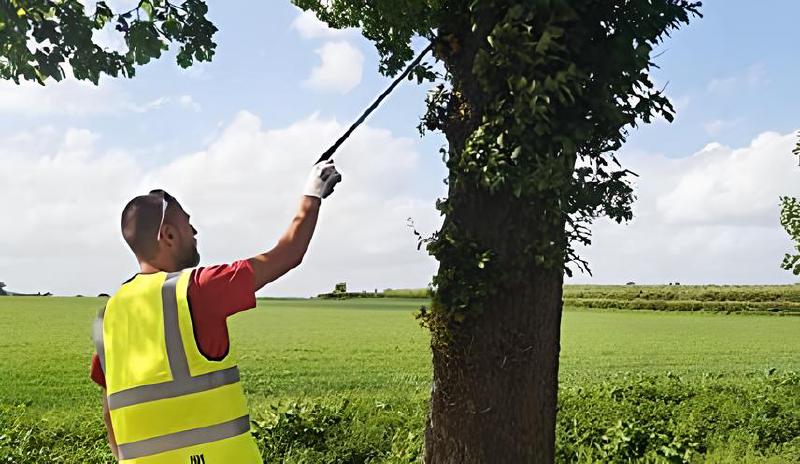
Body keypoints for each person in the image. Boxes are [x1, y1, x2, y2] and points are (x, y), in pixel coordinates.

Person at [89, 160, 341, 463]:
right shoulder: (197, 289)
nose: (195, 230)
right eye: (187, 223)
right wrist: (312, 194)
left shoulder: (108, 315)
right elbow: (286, 255)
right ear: (168, 236)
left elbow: (109, 413)